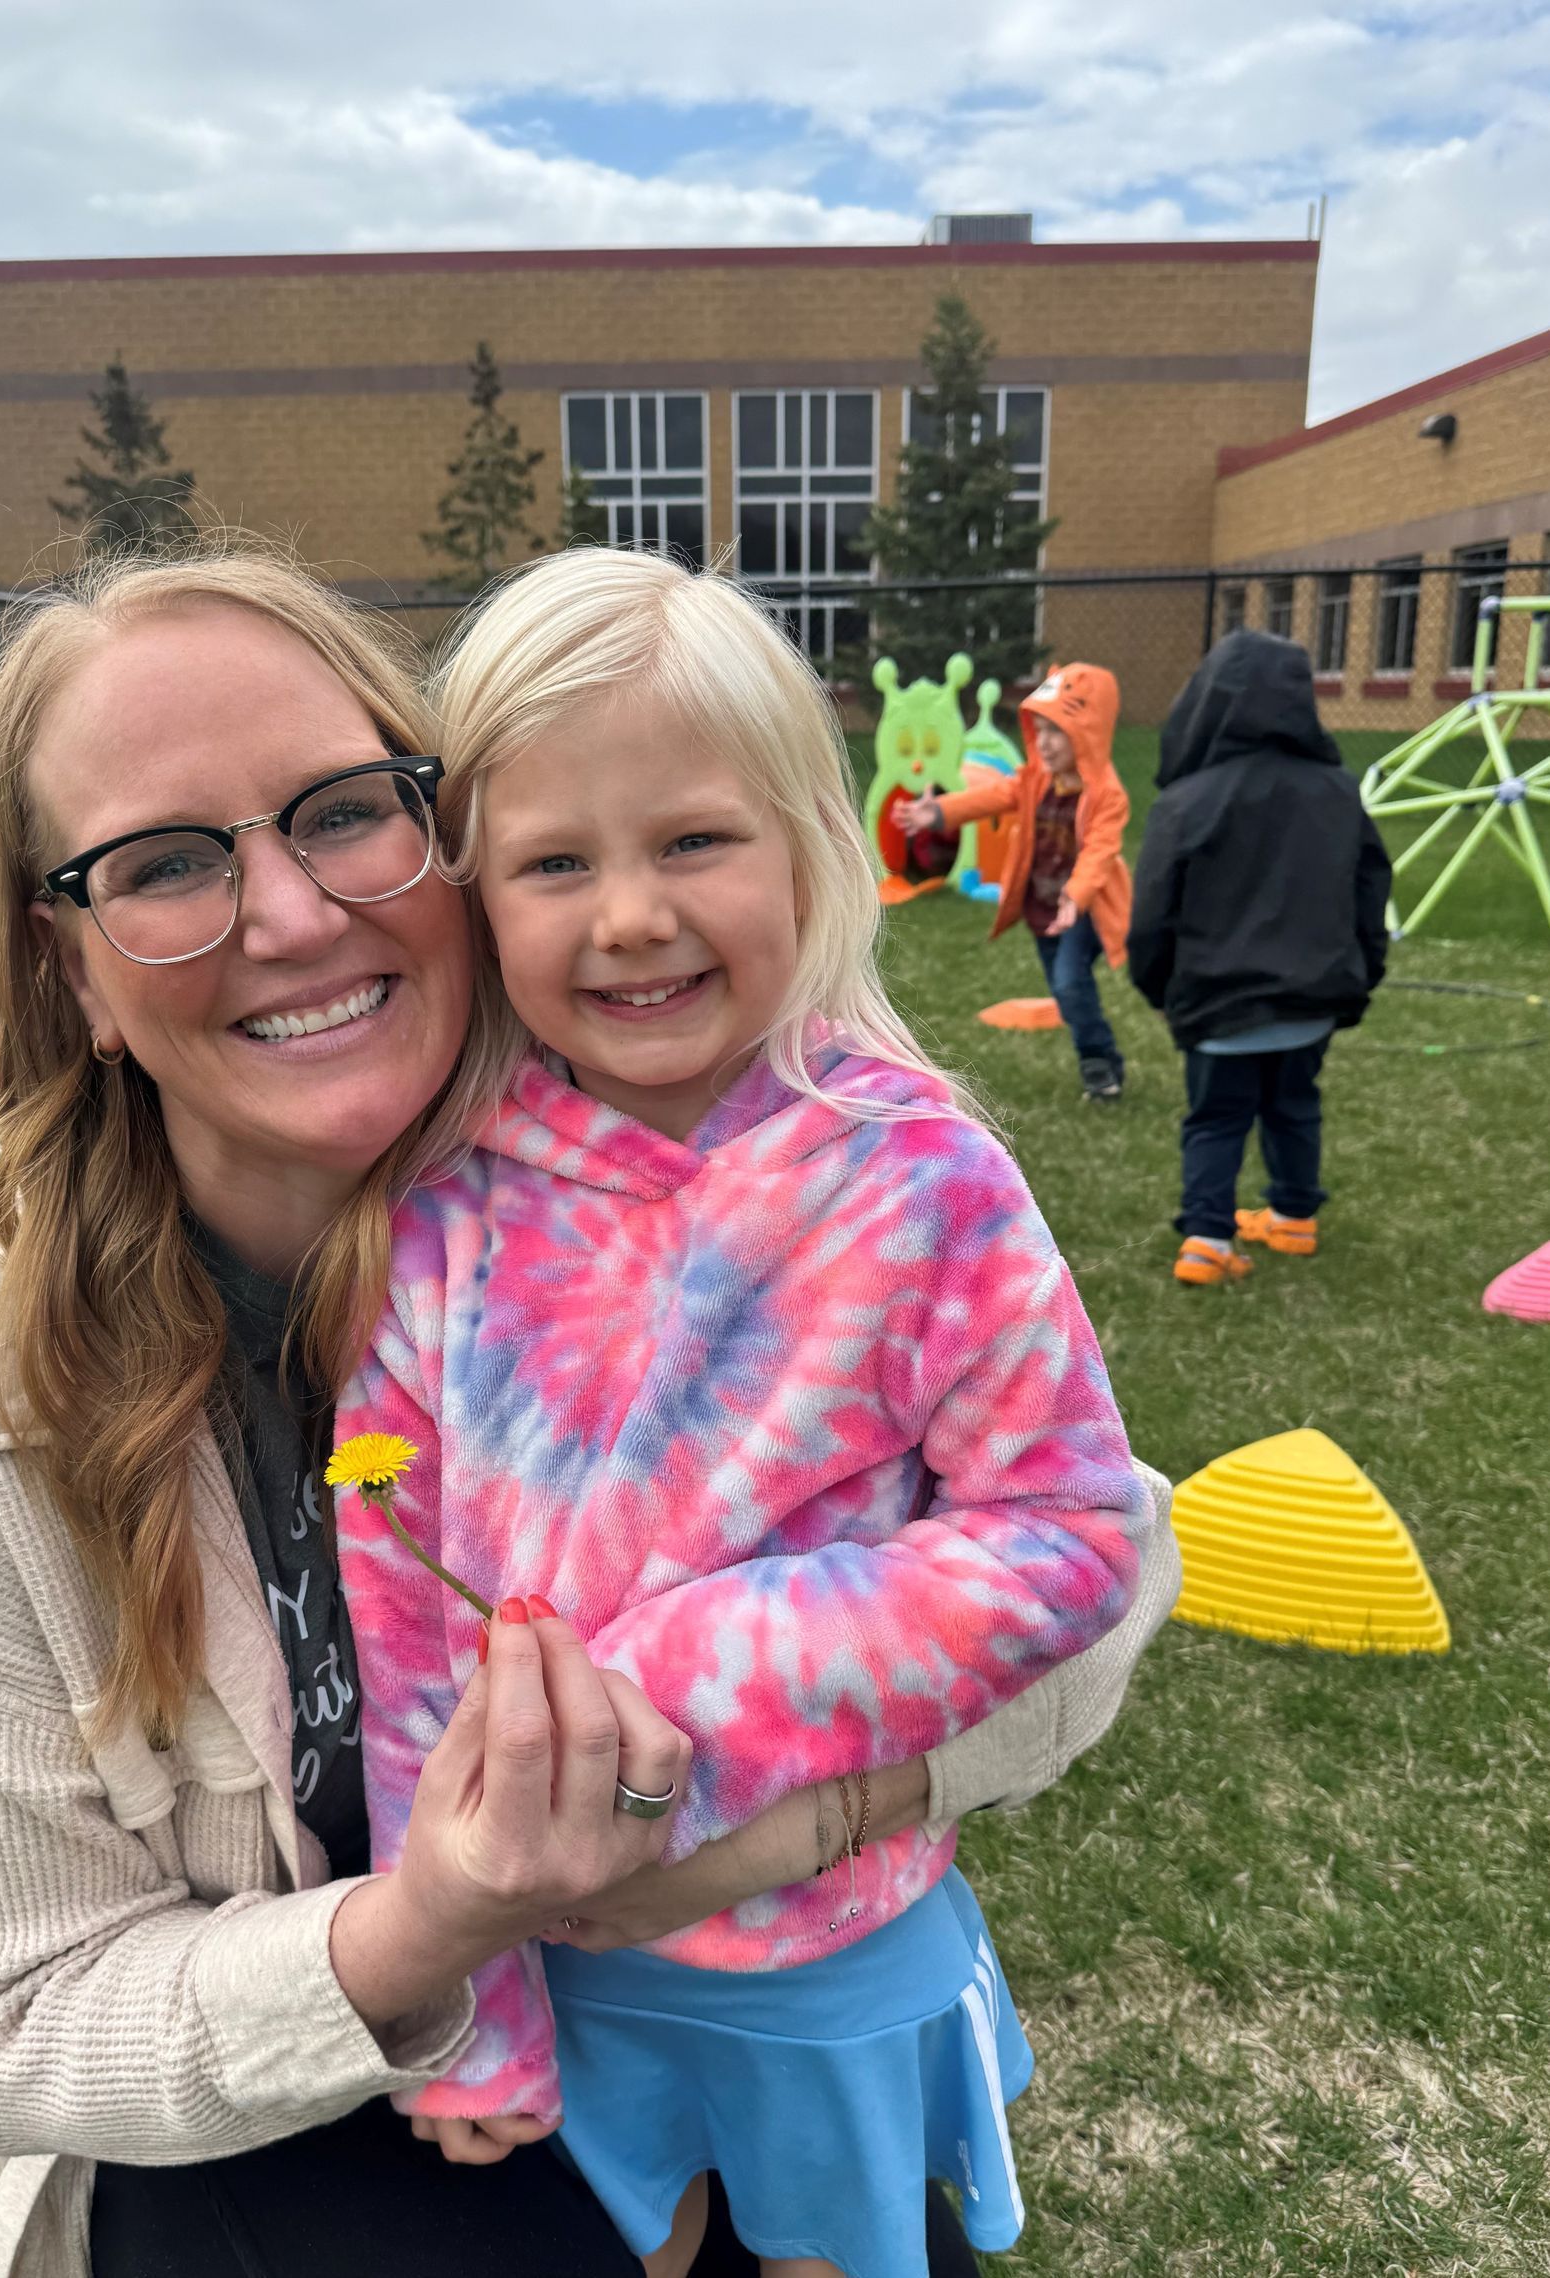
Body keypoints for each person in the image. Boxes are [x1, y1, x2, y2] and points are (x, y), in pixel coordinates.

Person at [0, 547, 1175, 2278]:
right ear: (69, 967)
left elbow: (1095, 1555)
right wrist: (433, 1943)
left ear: (436, 843)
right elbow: (4, 2022)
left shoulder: (700, 1140)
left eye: (340, 814)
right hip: (264, 2081)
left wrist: (786, 1794)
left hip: (713, 1959)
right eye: (162, 864)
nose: (288, 917)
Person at [331, 550, 1166, 2278]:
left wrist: (709, 1667)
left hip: (828, 1947)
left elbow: (1074, 1535)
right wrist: (466, 1988)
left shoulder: (925, 1177)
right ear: (478, 904)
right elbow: (406, 1624)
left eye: (692, 840)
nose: (628, 913)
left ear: (812, 843)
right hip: (562, 1961)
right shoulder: (443, 1215)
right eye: (557, 862)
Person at [1126, 630, 1392, 1287]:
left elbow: (1153, 912)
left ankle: (1208, 1238)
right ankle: (1294, 1215)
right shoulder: (1337, 791)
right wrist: (1358, 976)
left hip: (1220, 1010)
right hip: (1309, 1003)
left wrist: (1162, 989)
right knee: (1294, 1104)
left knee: (1217, 1118)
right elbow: (1370, 891)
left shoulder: (1185, 804)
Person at [898, 663, 1132, 1102]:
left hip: (1081, 910)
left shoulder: (1106, 795)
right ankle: (1105, 1059)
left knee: (1068, 982)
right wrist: (940, 812)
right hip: (1041, 908)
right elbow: (993, 796)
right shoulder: (1034, 781)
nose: (1043, 741)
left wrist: (1076, 896)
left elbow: (1101, 850)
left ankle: (1098, 1065)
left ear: (1088, 732)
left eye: (1057, 731)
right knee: (1066, 991)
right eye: (1039, 728)